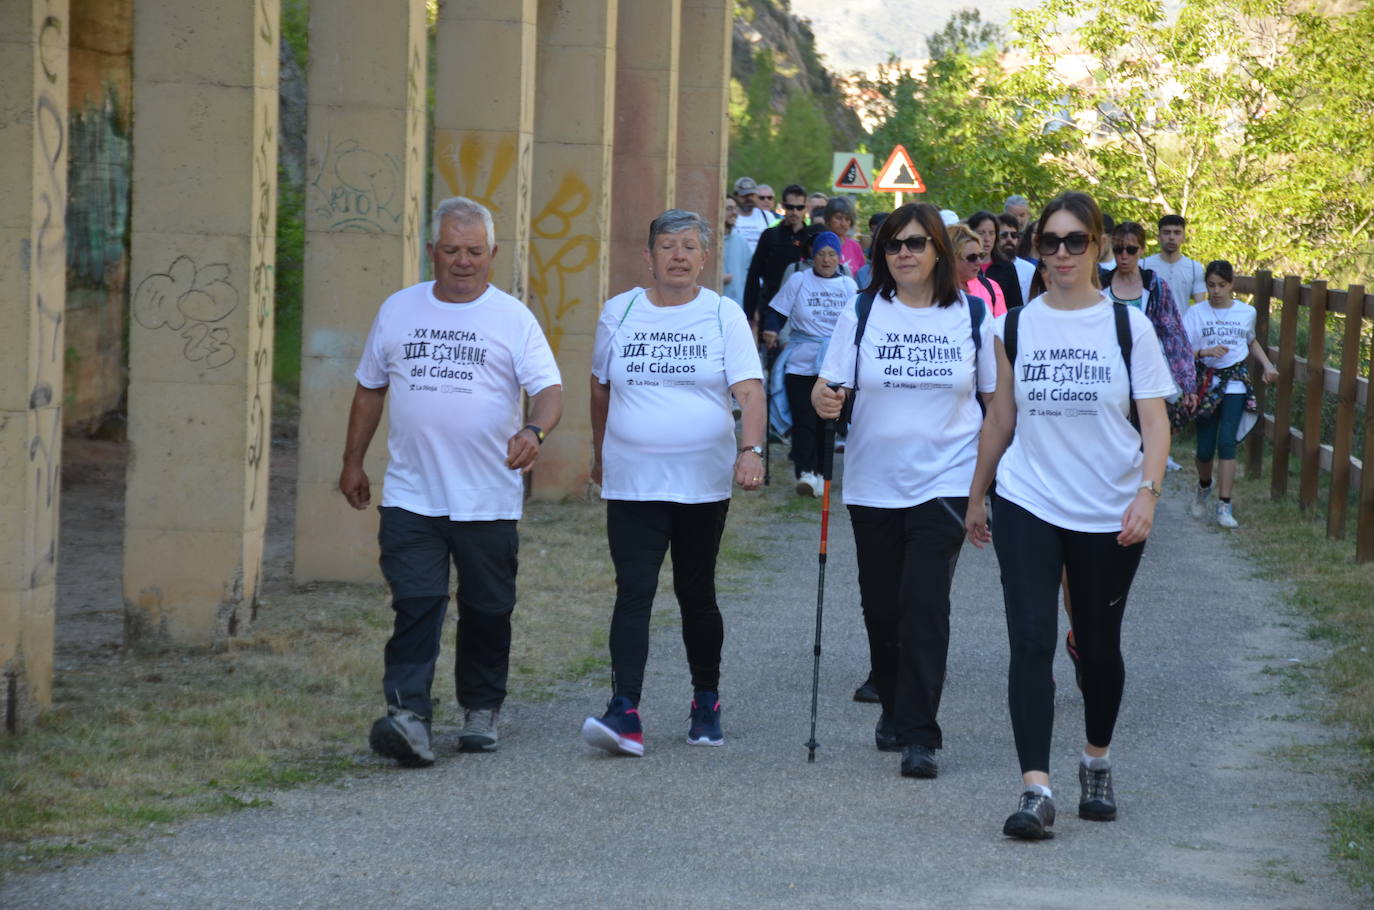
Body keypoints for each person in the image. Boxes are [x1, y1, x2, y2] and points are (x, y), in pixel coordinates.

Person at [965, 190, 1175, 840]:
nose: (1060, 252)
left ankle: (1096, 760)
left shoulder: (1127, 327)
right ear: (1036, 249)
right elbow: (1000, 419)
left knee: (1098, 649)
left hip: (1108, 508)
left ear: (1099, 247)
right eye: (1049, 241)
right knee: (1030, 640)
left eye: (1074, 241)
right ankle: (1036, 788)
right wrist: (977, 493)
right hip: (1028, 498)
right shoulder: (1013, 326)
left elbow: (1155, 421)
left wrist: (1148, 492)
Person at [344, 196, 564, 767]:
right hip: (412, 495)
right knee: (416, 603)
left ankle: (481, 708)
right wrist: (352, 461)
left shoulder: (512, 317)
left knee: (488, 608)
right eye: (450, 250)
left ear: (492, 254)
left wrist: (535, 431)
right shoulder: (398, 309)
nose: (461, 261)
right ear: (431, 251)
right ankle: (408, 716)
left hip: (486, 497)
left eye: (473, 251)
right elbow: (370, 389)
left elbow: (550, 390)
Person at [813, 203, 996, 780]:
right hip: (872, 484)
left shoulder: (971, 316)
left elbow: (995, 406)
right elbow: (828, 384)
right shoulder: (862, 311)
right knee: (882, 608)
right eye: (893, 245)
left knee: (924, 607)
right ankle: (892, 704)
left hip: (943, 482)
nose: (904, 254)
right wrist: (824, 399)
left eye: (916, 243)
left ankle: (921, 733)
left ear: (939, 249)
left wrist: (982, 490)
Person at [581, 209, 766, 756]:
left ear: (706, 258)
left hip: (700, 483)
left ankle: (705, 701)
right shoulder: (620, 312)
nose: (679, 255)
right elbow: (600, 390)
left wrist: (751, 452)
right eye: (668, 246)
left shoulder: (722, 314)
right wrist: (600, 456)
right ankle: (625, 711)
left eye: (690, 246)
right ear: (649, 256)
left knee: (695, 592)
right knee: (633, 591)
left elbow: (751, 392)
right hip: (633, 480)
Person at [1183, 260, 1278, 528]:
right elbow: (1180, 351)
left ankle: (1225, 504)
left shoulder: (1245, 312)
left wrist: (1268, 365)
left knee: (1226, 442)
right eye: (1211, 285)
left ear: (1231, 285)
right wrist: (1204, 352)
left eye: (1222, 285)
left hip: (1235, 381)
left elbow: (1250, 340)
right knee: (1204, 448)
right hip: (1206, 382)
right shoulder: (1194, 314)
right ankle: (1204, 486)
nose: (1216, 291)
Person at [762, 231, 857, 496]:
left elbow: (859, 323)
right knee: (803, 418)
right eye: (821, 254)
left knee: (825, 421)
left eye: (832, 255)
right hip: (801, 361)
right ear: (812, 256)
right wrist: (771, 331)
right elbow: (776, 311)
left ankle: (822, 472)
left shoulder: (848, 286)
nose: (826, 260)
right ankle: (805, 472)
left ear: (839, 258)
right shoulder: (799, 280)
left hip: (834, 364)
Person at [1100, 221, 1197, 413]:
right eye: (1119, 250)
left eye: (1131, 249)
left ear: (1142, 250)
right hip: (1107, 372)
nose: (1124, 255)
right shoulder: (1100, 287)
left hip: (1148, 372)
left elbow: (1174, 335)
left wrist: (1187, 384)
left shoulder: (1155, 287)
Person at [742, 184, 813, 328]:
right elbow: (754, 274)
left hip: (803, 308)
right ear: (783, 207)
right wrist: (749, 313)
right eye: (790, 207)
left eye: (799, 208)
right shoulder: (770, 235)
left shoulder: (811, 238)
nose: (794, 212)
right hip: (771, 306)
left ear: (805, 208)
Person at [1142, 214, 1207, 311]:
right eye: (1166, 233)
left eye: (1177, 233)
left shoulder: (1194, 267)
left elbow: (1201, 307)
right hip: (1150, 325)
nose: (1171, 237)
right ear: (1159, 237)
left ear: (1183, 237)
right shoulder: (1143, 265)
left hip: (1183, 324)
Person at [968, 210, 1021, 313]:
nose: (987, 239)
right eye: (981, 233)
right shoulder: (965, 265)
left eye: (991, 233)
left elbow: (1016, 307)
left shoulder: (1007, 267)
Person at [949, 223, 1006, 316]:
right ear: (951, 258)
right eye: (972, 257)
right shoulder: (930, 291)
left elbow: (1000, 328)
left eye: (981, 255)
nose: (979, 262)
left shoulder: (991, 287)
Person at [821, 196, 867, 276]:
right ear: (828, 219)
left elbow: (862, 276)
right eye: (838, 218)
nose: (843, 223)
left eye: (847, 219)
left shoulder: (855, 247)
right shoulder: (818, 244)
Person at [997, 213, 1035, 306]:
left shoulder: (1029, 269)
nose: (1009, 239)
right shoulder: (989, 268)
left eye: (1014, 235)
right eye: (1004, 235)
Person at [731, 176, 777, 254]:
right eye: (744, 196)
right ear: (736, 197)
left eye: (752, 195)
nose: (749, 198)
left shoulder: (767, 217)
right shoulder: (730, 216)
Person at [721, 196, 751, 308]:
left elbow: (750, 276)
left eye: (735, 208)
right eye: (729, 208)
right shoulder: (707, 242)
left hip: (738, 309)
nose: (734, 212)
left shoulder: (741, 241)